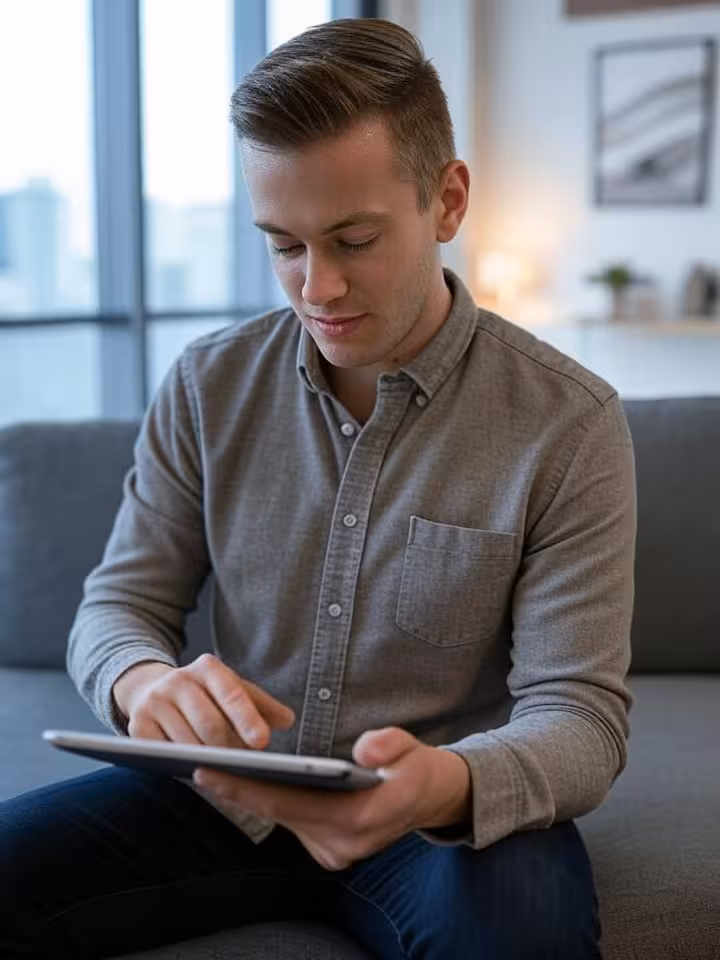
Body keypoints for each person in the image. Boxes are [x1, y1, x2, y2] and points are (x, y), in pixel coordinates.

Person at [0, 17, 636, 960]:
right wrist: (145, 683)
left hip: (441, 816)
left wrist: (442, 786)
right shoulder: (207, 384)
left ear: (448, 200)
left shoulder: (569, 422)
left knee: (528, 933)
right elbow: (119, 606)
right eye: (284, 245)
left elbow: (579, 717)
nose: (318, 288)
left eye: (354, 239)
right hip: (221, 795)